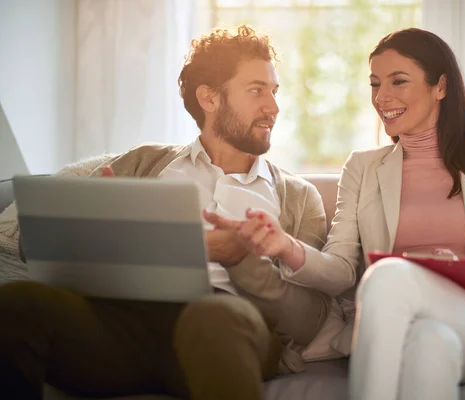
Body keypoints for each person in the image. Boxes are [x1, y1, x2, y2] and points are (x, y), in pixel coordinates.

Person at [205, 28, 465, 400]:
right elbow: (341, 272)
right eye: (375, 84)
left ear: (440, 86)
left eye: (398, 82)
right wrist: (283, 246)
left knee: (389, 275)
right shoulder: (362, 168)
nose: (382, 97)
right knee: (431, 348)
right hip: (409, 327)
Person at [0, 25, 331, 400]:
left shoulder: (299, 198)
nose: (273, 107)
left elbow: (309, 321)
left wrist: (242, 260)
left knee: (214, 317)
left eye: (274, 91)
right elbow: (35, 247)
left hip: (228, 325)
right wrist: (93, 230)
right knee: (17, 303)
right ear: (209, 98)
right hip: (124, 326)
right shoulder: (141, 162)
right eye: (256, 90)